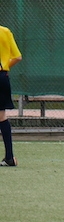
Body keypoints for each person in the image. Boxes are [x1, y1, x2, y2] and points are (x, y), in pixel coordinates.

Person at [0, 24, 22, 167]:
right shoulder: (5, 31)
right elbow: (18, 57)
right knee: (1, 116)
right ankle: (9, 157)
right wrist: (4, 66)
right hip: (2, 76)